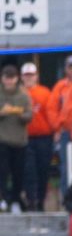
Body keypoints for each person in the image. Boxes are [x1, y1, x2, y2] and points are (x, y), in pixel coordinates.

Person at [20, 63, 52, 212]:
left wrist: (56, 130)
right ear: (22, 77)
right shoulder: (18, 93)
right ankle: (31, 201)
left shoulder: (45, 92)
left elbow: (51, 113)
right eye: (26, 75)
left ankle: (41, 201)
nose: (29, 78)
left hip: (44, 137)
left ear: (36, 76)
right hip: (24, 138)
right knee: (29, 170)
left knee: (43, 170)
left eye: (31, 75)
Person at [0, 65, 31, 213]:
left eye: (12, 78)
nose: (9, 81)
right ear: (2, 78)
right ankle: (4, 199)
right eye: (7, 78)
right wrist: (3, 113)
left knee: (18, 173)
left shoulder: (24, 96)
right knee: (2, 172)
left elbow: (29, 116)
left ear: (16, 78)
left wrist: (20, 114)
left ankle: (15, 200)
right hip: (2, 140)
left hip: (19, 141)